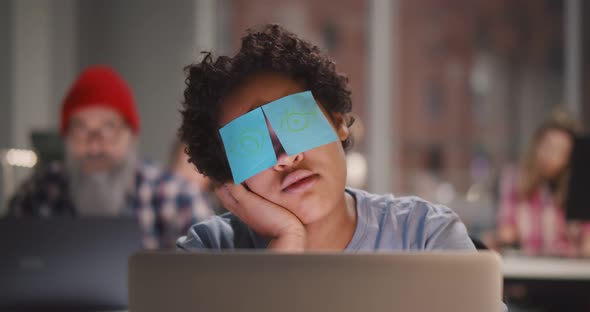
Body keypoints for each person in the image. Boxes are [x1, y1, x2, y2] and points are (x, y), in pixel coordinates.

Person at [174, 24, 476, 253]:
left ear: (338, 123)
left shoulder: (426, 236)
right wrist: (287, 239)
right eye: (250, 145)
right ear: (231, 177)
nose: (286, 157)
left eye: (296, 122)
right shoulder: (207, 251)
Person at [8, 65, 214, 249]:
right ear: (66, 137)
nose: (95, 143)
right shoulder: (36, 194)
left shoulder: (177, 197)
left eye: (108, 128)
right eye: (81, 128)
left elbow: (209, 280)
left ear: (131, 135)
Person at [496, 111, 590, 257]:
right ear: (537, 145)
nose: (550, 155)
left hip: (568, 268)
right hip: (529, 267)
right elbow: (507, 230)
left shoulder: (579, 187)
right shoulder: (515, 178)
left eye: (560, 150)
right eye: (547, 146)